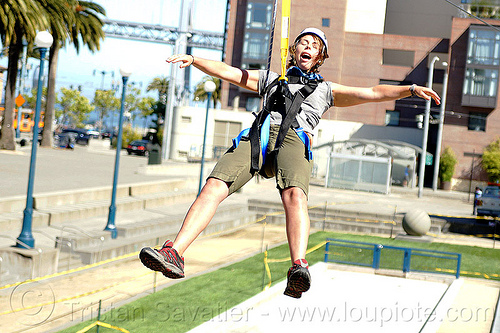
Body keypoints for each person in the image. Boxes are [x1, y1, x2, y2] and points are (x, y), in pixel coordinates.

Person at [139, 27, 441, 298]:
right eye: (303, 42)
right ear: (293, 51)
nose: (308, 46)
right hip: (258, 136)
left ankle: (298, 265)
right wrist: (195, 60)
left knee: (295, 196)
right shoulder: (270, 79)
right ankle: (175, 253)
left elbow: (373, 92)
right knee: (213, 185)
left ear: (319, 56)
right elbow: (229, 72)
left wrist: (410, 89)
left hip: (294, 139)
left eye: (314, 44)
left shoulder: (326, 90)